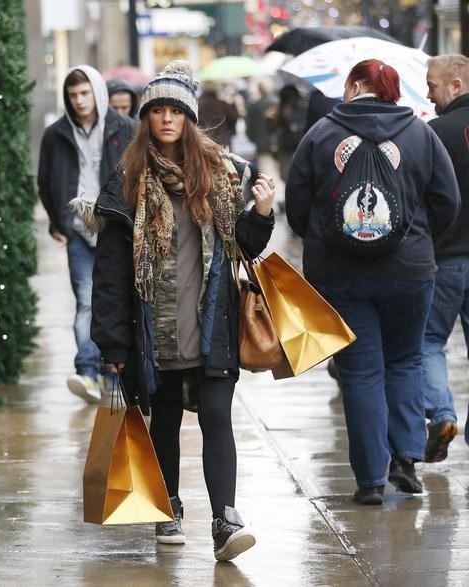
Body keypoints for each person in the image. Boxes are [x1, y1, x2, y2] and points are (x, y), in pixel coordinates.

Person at [86, 60, 276, 560]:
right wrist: (112, 343)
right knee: (164, 419)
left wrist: (260, 211)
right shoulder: (126, 182)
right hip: (154, 329)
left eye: (176, 110)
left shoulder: (221, 175)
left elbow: (245, 247)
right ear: (146, 117)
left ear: (189, 118)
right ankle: (168, 507)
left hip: (212, 321)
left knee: (218, 418)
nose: (167, 119)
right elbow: (109, 274)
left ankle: (225, 519)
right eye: (158, 110)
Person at [285, 59, 460, 506]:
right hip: (410, 273)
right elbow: (447, 200)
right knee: (405, 362)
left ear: (357, 85)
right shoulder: (420, 133)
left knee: (359, 372)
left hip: (341, 274)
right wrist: (417, 240)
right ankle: (404, 459)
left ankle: (368, 480)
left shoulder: (321, 134)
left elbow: (297, 206)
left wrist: (325, 240)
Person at [37, 66, 137, 403]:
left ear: (97, 92)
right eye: (73, 95)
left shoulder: (126, 128)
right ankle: (87, 371)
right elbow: (46, 180)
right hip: (79, 229)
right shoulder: (56, 134)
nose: (79, 101)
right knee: (85, 300)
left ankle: (115, 367)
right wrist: (58, 221)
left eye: (84, 93)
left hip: (116, 228)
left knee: (118, 298)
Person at [421, 54, 469, 461]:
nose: (428, 93)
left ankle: (441, 414)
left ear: (456, 86)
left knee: (428, 343)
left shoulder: (436, 132)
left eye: (433, 86)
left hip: (447, 255)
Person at [198, 83, 240, 150]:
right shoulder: (222, 105)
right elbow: (234, 118)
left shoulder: (197, 105)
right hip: (222, 142)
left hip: (203, 142)